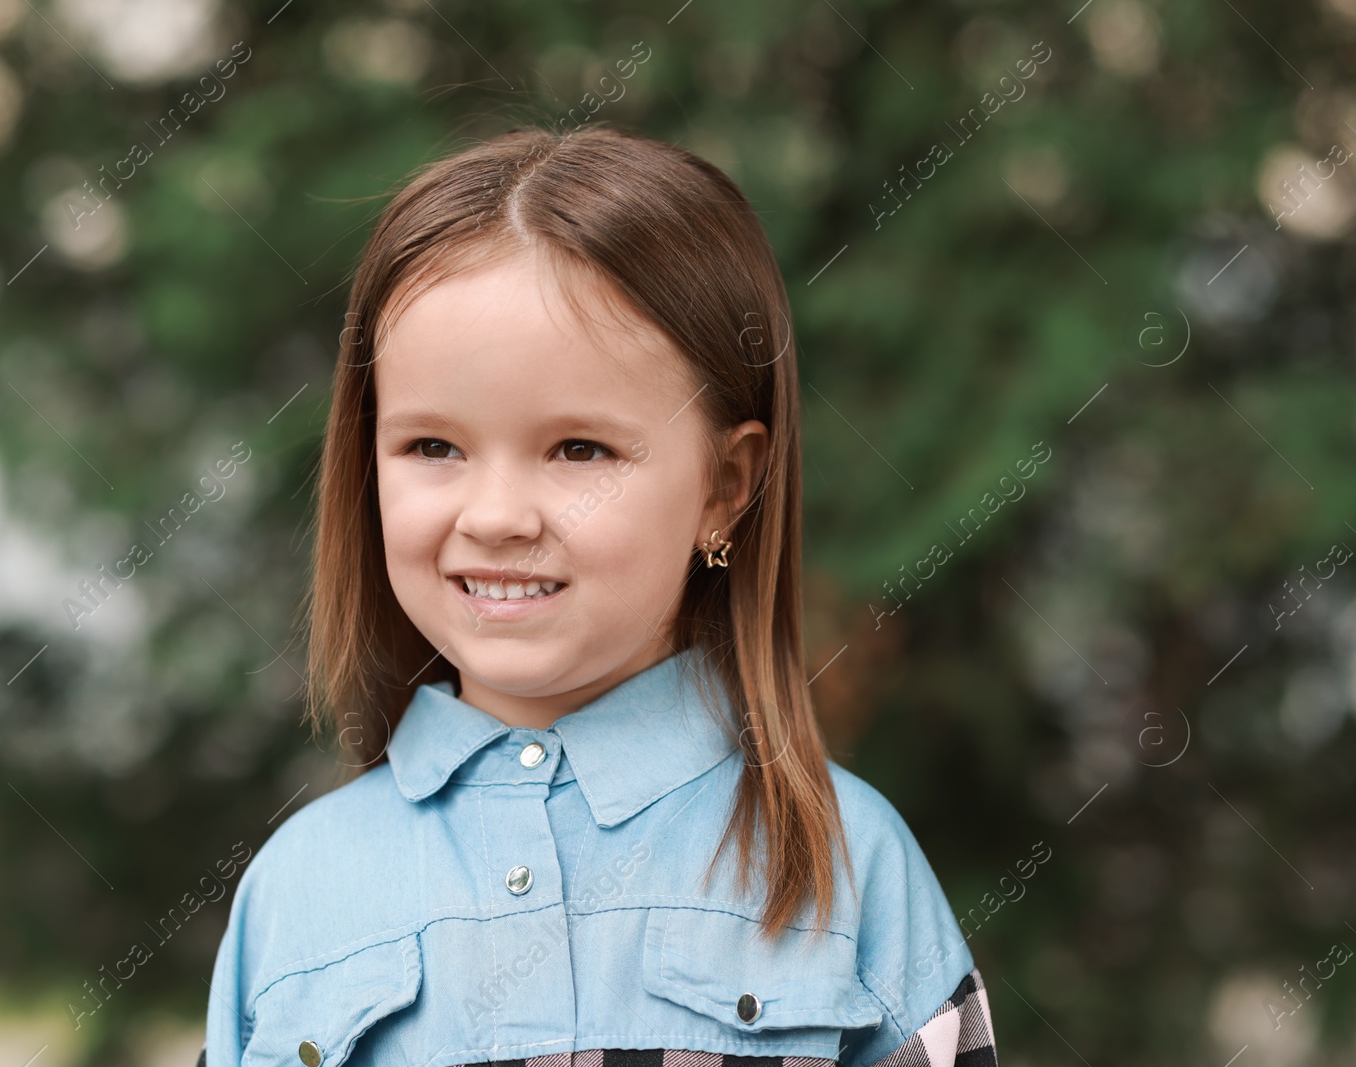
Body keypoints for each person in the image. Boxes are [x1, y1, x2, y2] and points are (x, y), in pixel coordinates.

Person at [202, 124, 994, 1067]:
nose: (495, 516)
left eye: (580, 449)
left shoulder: (844, 863)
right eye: (433, 447)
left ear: (726, 485)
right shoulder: (298, 889)